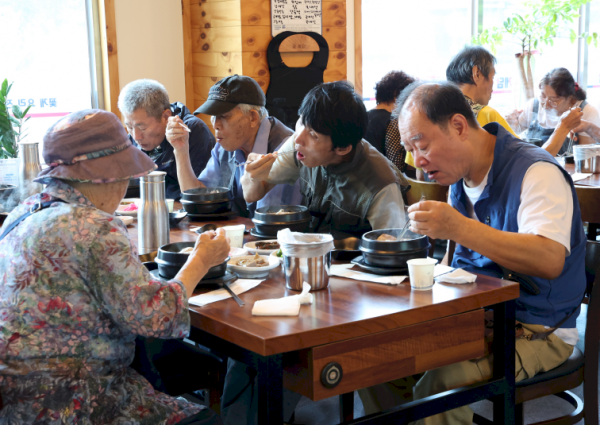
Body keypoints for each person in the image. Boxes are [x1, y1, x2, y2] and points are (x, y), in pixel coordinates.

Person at [360, 81, 587, 424]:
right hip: (477, 319)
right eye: (410, 150)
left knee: (442, 382)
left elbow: (549, 259)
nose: (419, 164)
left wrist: (458, 227)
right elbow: (459, 265)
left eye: (421, 146)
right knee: (375, 360)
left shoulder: (535, 171)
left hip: (538, 328)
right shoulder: (461, 179)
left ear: (458, 126)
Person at [0, 110, 229, 425]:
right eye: (124, 173)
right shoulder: (95, 226)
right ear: (102, 176)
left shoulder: (21, 214)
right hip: (79, 404)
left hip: (16, 404)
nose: (125, 183)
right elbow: (156, 318)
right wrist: (201, 258)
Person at [241, 80, 408, 239]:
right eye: (301, 122)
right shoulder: (299, 144)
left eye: (313, 135)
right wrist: (252, 175)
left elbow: (393, 246)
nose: (298, 138)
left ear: (342, 148)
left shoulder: (381, 184)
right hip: (312, 255)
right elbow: (252, 194)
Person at [168, 74, 301, 217]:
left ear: (253, 117)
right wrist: (180, 150)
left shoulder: (283, 150)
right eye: (213, 116)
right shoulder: (224, 146)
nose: (215, 124)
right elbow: (199, 199)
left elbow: (271, 219)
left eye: (223, 116)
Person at [405, 46, 517, 180]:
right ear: (477, 73)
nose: (493, 86)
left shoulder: (422, 115)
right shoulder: (487, 115)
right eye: (493, 76)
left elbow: (419, 175)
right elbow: (522, 157)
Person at [118, 79, 215, 200]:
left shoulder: (192, 131)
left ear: (166, 116)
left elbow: (196, 193)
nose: (136, 136)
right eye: (129, 127)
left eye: (142, 127)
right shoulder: (131, 139)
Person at [506, 67, 599, 156]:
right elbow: (513, 137)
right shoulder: (533, 106)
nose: (545, 104)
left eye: (553, 100)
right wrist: (509, 124)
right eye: (543, 96)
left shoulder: (586, 112)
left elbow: (586, 158)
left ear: (570, 98)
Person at [364, 71, 415, 155]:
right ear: (397, 95)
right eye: (408, 96)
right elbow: (396, 162)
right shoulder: (393, 122)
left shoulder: (363, 116)